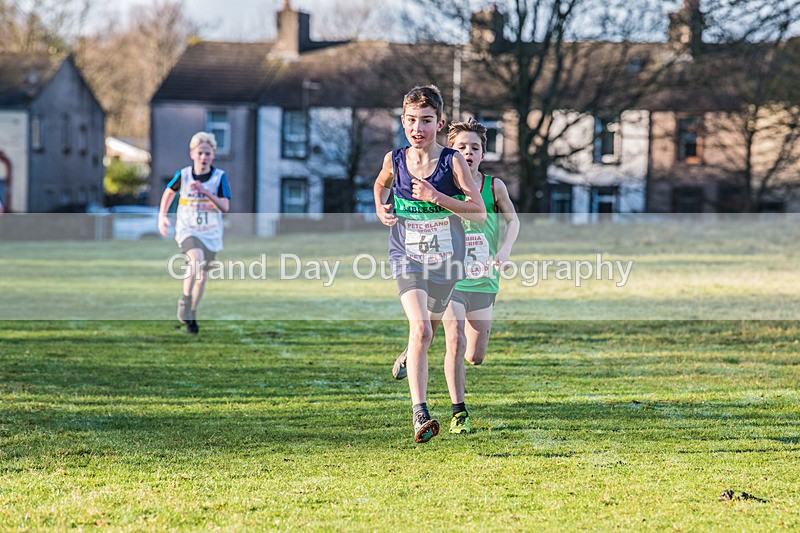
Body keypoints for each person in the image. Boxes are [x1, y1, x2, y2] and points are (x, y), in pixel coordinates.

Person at [392, 118, 520, 436]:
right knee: (454, 339)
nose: (469, 152)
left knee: (474, 355)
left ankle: (413, 348)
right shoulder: (442, 182)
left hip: (484, 278)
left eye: (475, 147)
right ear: (453, 150)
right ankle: (458, 413)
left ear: (483, 152)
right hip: (452, 271)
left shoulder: (493, 187)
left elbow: (513, 221)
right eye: (461, 146)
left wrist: (504, 251)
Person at [373, 85, 486, 443]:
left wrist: (438, 198)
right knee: (422, 329)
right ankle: (420, 413)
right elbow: (380, 184)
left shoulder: (452, 162)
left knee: (428, 332)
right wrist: (381, 207)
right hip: (406, 256)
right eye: (410, 120)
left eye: (425, 121)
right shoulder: (395, 159)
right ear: (402, 121)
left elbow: (479, 213)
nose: (417, 128)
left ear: (438, 124)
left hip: (447, 263)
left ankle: (410, 352)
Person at [158, 132, 230, 334]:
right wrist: (162, 216)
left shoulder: (219, 177)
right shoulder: (184, 175)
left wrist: (206, 192)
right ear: (192, 153)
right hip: (188, 229)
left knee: (202, 277)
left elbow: (225, 207)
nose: (203, 157)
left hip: (211, 233)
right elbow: (169, 192)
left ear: (213, 155)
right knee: (195, 259)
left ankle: (192, 315)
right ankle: (185, 299)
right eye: (200, 153)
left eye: (207, 153)